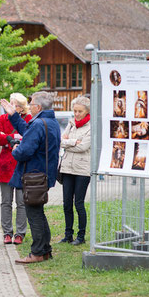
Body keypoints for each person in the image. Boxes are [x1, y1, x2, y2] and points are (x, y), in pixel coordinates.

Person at [0, 91, 61, 264]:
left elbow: (25, 151)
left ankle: (38, 252)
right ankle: (45, 250)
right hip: (43, 176)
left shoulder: (39, 124)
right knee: (38, 213)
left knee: (34, 214)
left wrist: (15, 150)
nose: (29, 105)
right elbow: (28, 131)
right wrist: (13, 115)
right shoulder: (49, 122)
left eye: (31, 103)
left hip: (34, 176)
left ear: (39, 107)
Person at [0, 93, 31, 245]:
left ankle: (20, 233)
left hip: (22, 165)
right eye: (10, 104)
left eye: (15, 104)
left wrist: (8, 136)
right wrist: (11, 138)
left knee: (22, 202)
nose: (11, 107)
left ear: (22, 107)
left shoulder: (28, 119)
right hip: (6, 166)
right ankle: (7, 233)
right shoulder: (3, 119)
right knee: (6, 201)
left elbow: (27, 136)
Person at [58, 96, 91, 246]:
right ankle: (68, 234)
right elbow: (60, 141)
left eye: (80, 111)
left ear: (87, 111)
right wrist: (72, 142)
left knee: (78, 203)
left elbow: (83, 147)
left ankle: (81, 235)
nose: (76, 114)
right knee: (66, 203)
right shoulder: (71, 124)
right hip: (67, 168)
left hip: (82, 170)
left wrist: (67, 143)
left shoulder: (91, 127)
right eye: (75, 111)